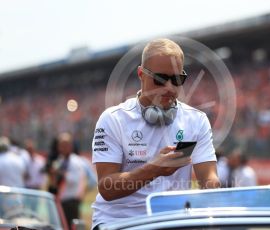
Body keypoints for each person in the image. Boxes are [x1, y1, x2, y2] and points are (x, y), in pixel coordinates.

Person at [92, 38, 220, 228]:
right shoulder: (113, 119)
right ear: (141, 74)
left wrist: (216, 193)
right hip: (120, 222)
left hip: (172, 222)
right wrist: (154, 169)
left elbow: (209, 178)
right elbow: (107, 188)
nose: (169, 87)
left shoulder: (196, 121)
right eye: (160, 79)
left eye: (177, 79)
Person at [47, 132, 87, 229]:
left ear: (70, 146)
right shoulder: (59, 160)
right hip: (59, 200)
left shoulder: (76, 161)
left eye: (65, 145)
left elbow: (75, 180)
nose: (62, 148)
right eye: (60, 145)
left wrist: (60, 173)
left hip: (71, 202)